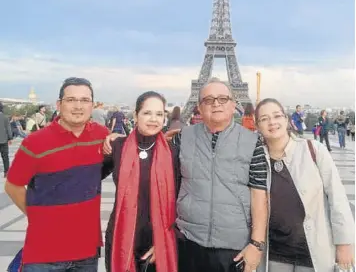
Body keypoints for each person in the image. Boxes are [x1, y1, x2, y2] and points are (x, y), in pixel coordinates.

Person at [5, 77, 109, 271]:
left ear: (92, 105)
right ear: (59, 104)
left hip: (86, 253)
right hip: (44, 254)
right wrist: (36, 216)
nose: (78, 106)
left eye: (85, 100)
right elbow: (12, 185)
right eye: (71, 100)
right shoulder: (35, 143)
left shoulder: (101, 136)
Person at [171, 78, 268, 272]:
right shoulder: (182, 137)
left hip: (234, 247)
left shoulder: (252, 141)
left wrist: (257, 245)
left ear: (234, 105)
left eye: (223, 99)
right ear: (198, 107)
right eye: (208, 99)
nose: (216, 103)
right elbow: (168, 186)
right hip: (188, 241)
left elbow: (259, 194)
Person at [255, 98, 354, 272]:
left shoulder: (314, 150)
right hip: (276, 255)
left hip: (315, 251)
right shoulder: (255, 159)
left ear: (286, 120)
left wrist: (344, 243)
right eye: (264, 119)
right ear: (258, 126)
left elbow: (337, 198)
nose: (272, 122)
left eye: (277, 116)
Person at [102, 91, 178, 272]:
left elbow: (180, 201)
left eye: (159, 114)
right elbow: (89, 178)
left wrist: (163, 242)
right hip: (121, 237)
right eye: (147, 113)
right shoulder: (118, 146)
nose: (153, 119)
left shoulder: (173, 152)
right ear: (136, 115)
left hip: (158, 240)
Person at [0, 102, 12, 178]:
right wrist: (10, 138)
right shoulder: (5, 117)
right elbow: (8, 129)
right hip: (3, 140)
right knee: (5, 157)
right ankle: (6, 172)